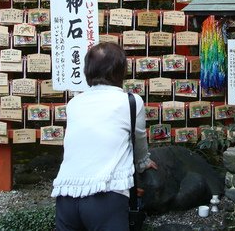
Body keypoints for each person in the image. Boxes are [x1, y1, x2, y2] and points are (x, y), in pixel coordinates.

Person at [52, 42, 157, 231]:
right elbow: (139, 140)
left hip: (66, 194)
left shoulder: (74, 103)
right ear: (121, 70)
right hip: (107, 195)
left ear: (87, 71)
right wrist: (143, 163)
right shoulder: (131, 102)